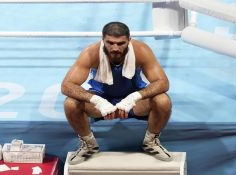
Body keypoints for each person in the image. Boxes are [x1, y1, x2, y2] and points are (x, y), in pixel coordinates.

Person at [61, 21, 172, 165]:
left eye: (121, 44)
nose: (115, 48)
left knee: (163, 100)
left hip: (134, 102)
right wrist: (97, 101)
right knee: (70, 103)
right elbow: (67, 85)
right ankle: (89, 144)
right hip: (102, 100)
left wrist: (134, 97)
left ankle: (151, 141)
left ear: (129, 40)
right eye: (110, 43)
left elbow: (163, 82)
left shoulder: (141, 50)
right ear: (103, 40)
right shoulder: (91, 53)